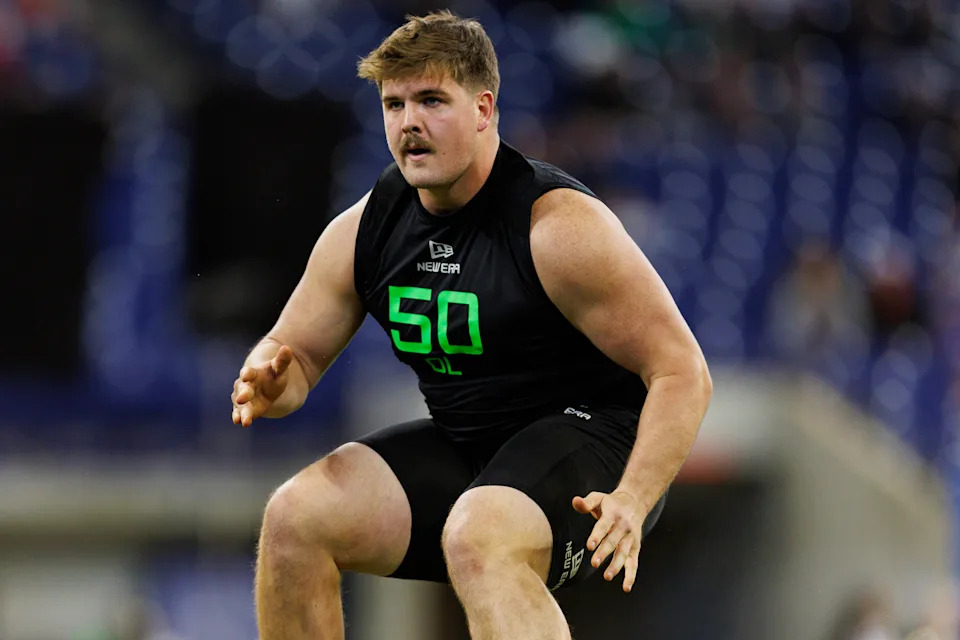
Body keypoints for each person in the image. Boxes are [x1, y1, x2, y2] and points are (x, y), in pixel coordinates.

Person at [230, 10, 712, 640]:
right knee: (295, 518)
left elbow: (683, 371)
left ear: (484, 109)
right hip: (474, 446)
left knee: (478, 532)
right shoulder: (364, 231)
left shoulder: (558, 229)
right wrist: (269, 380)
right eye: (394, 104)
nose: (409, 124)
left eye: (432, 100)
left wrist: (633, 497)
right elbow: (296, 360)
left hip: (596, 452)